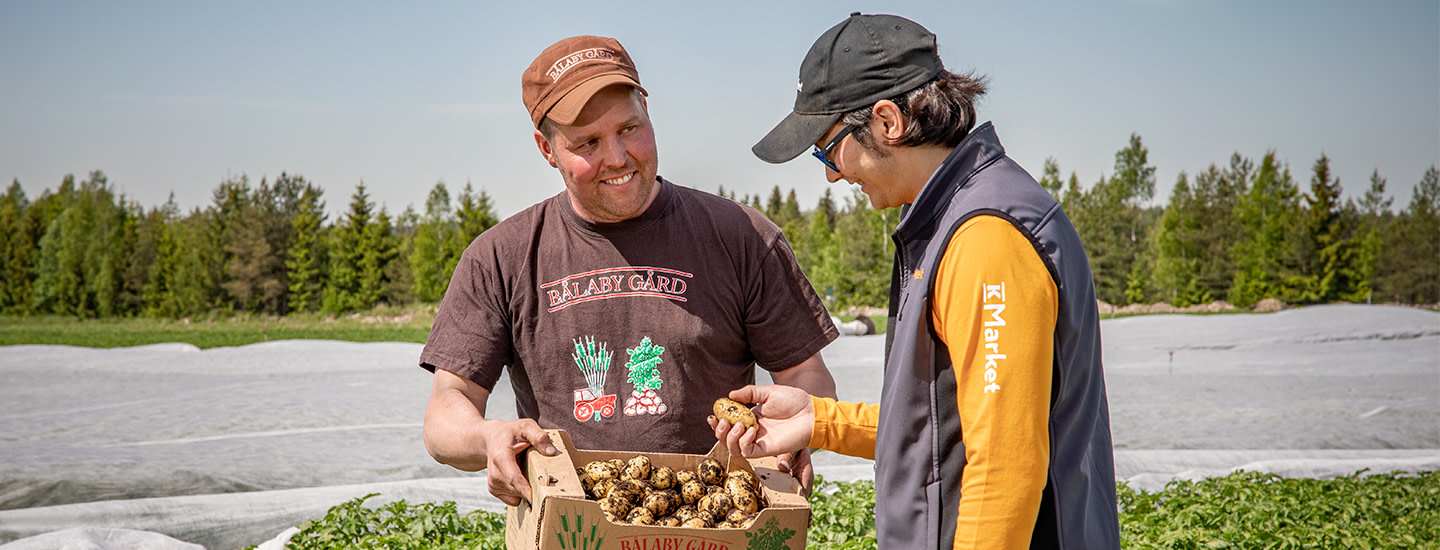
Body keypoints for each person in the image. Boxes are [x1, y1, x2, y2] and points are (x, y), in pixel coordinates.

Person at [711, 13, 1121, 549]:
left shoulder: (985, 237)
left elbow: (1004, 466)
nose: (831, 174)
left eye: (827, 148)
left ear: (887, 121)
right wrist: (821, 420)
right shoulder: (952, 219)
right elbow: (944, 427)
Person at [418, 35, 839, 508]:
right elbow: (445, 411)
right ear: (547, 148)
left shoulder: (741, 237)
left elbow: (807, 375)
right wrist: (487, 437)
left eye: (629, 128)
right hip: (572, 527)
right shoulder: (501, 256)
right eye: (588, 143)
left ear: (648, 110)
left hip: (712, 523)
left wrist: (793, 433)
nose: (618, 158)